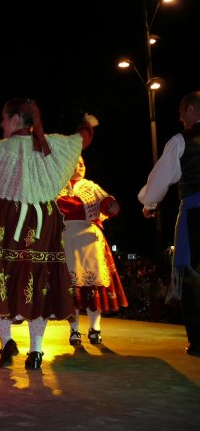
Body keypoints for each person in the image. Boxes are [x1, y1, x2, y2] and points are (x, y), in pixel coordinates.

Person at [0, 97, 97, 370]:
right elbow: (82, 139)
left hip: (6, 217)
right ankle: (36, 351)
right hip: (43, 220)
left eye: (3, 117)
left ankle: (6, 343)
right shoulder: (53, 145)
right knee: (39, 279)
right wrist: (87, 124)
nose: (0, 123)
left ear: (15, 119)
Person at [138, 90, 200, 357]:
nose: (179, 118)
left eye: (180, 113)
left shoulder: (181, 140)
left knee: (192, 276)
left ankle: (198, 342)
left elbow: (162, 176)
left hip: (197, 211)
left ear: (189, 110)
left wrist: (149, 204)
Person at [57, 156, 128, 346]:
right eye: (75, 163)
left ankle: (95, 328)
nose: (80, 167)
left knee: (92, 287)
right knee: (70, 287)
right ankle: (74, 331)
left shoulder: (91, 186)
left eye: (82, 164)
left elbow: (105, 201)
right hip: (65, 240)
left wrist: (111, 205)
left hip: (89, 240)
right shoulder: (56, 187)